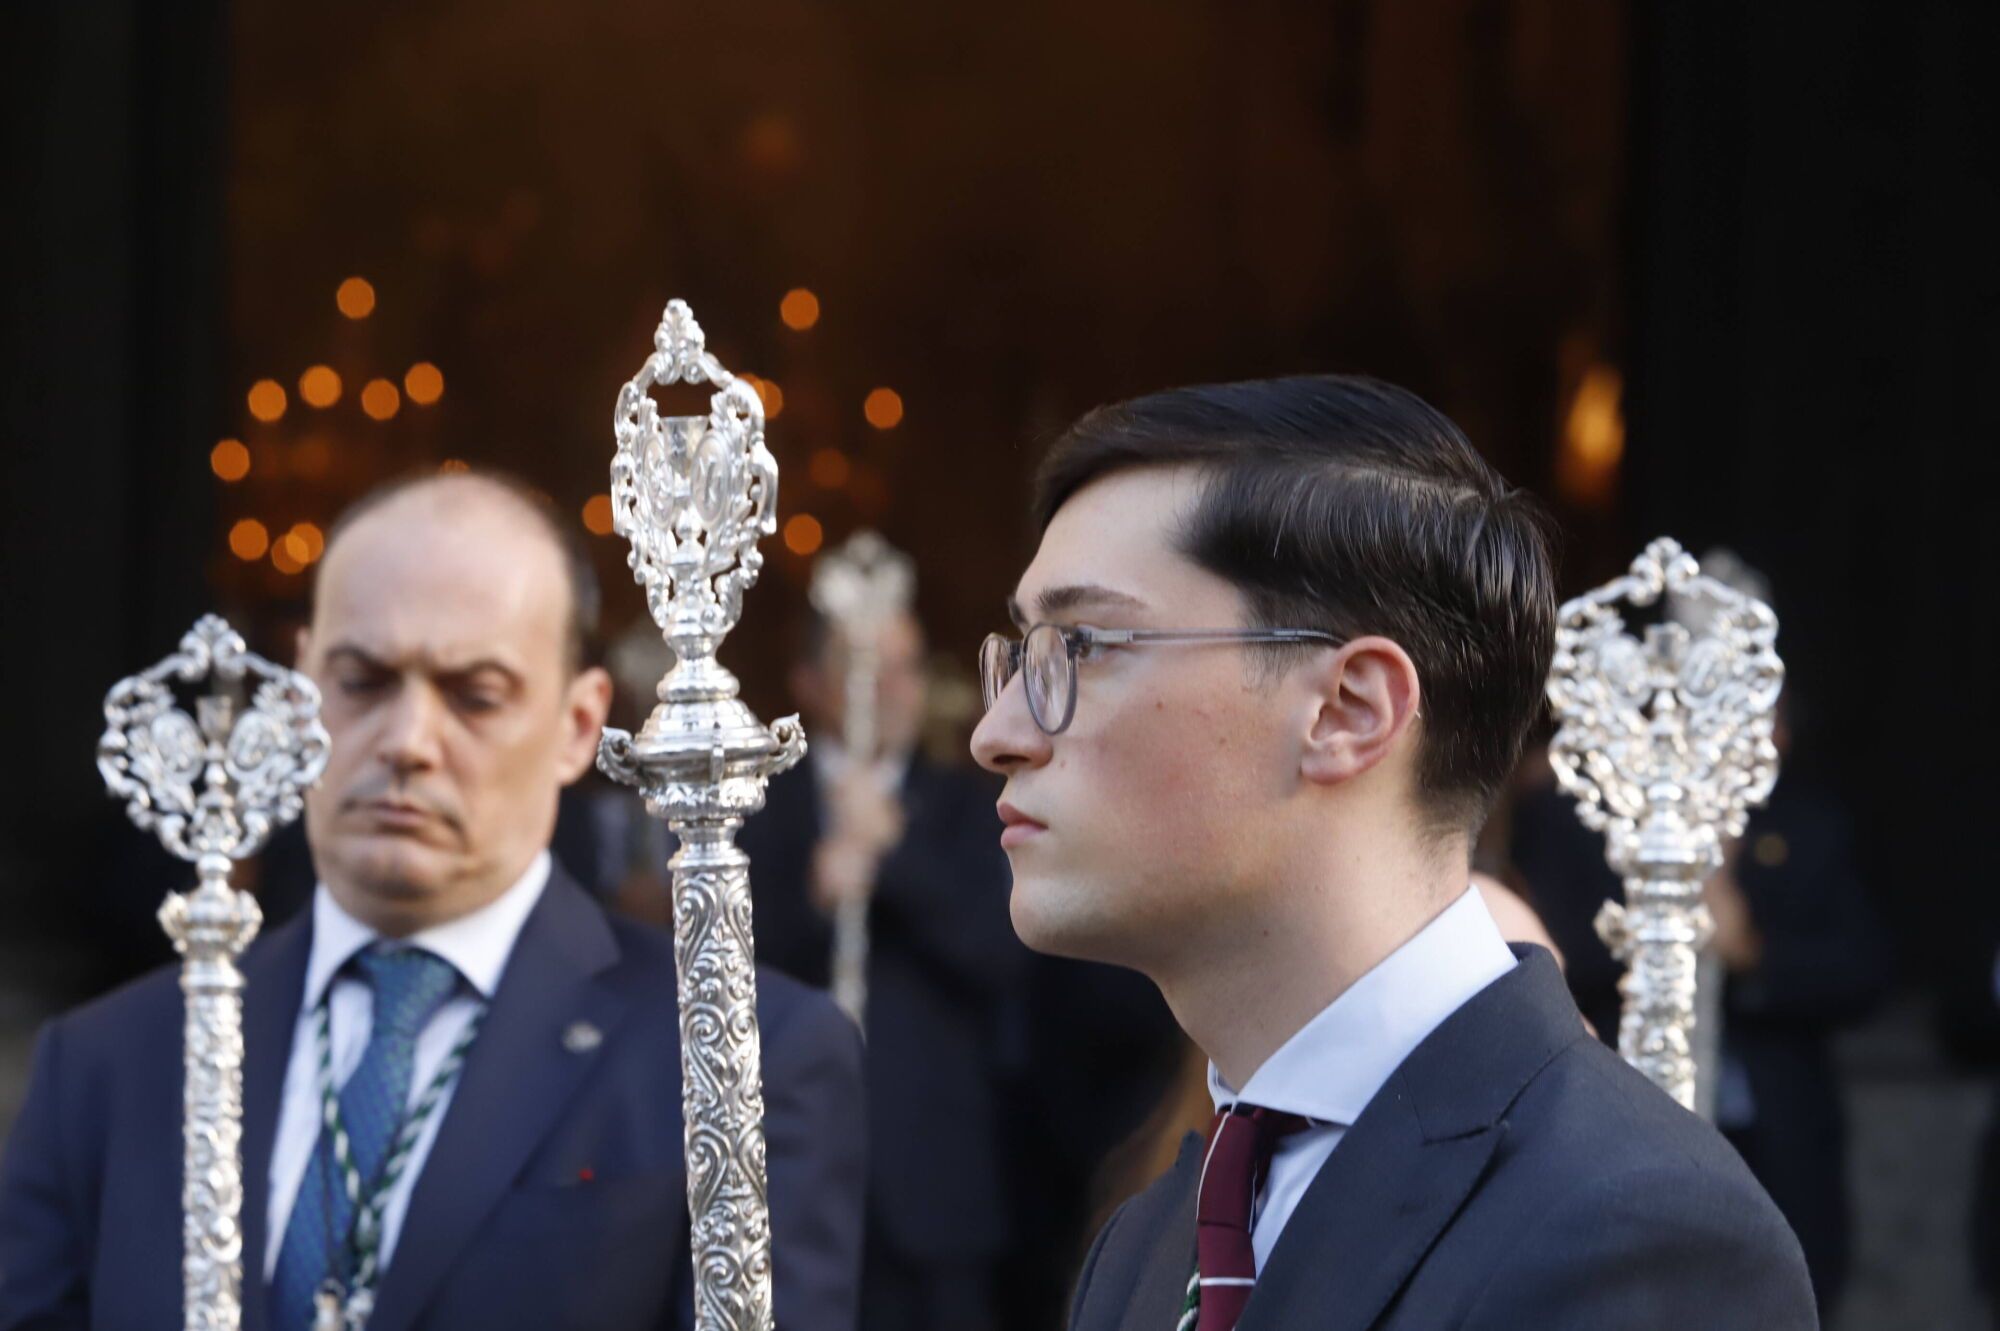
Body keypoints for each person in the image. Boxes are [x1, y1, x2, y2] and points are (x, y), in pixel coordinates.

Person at [969, 376, 1817, 1329]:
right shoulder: (1150, 1242)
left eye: (1079, 646)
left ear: (1349, 710)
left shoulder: (1635, 1229)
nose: (997, 732)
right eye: (1018, 654)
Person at [0, 471, 866, 1331]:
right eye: (363, 681)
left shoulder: (736, 1057)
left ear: (577, 723)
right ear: (299, 687)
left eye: (475, 694)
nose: (408, 741)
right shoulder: (111, 1066)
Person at [1511, 707, 1888, 1318]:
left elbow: (1862, 970)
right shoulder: (1586, 815)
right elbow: (1551, 951)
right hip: (1620, 1108)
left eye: (1766, 722)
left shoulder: (1810, 824)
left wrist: (1751, 954)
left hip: (1777, 1127)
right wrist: (1666, 926)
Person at [736, 603, 1025, 1330]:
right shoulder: (759, 806)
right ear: (810, 680)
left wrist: (893, 854)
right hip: (787, 1175)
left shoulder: (979, 803)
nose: (891, 688)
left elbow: (1003, 956)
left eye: (905, 666)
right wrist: (817, 893)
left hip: (937, 1189)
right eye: (864, 668)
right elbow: (724, 977)